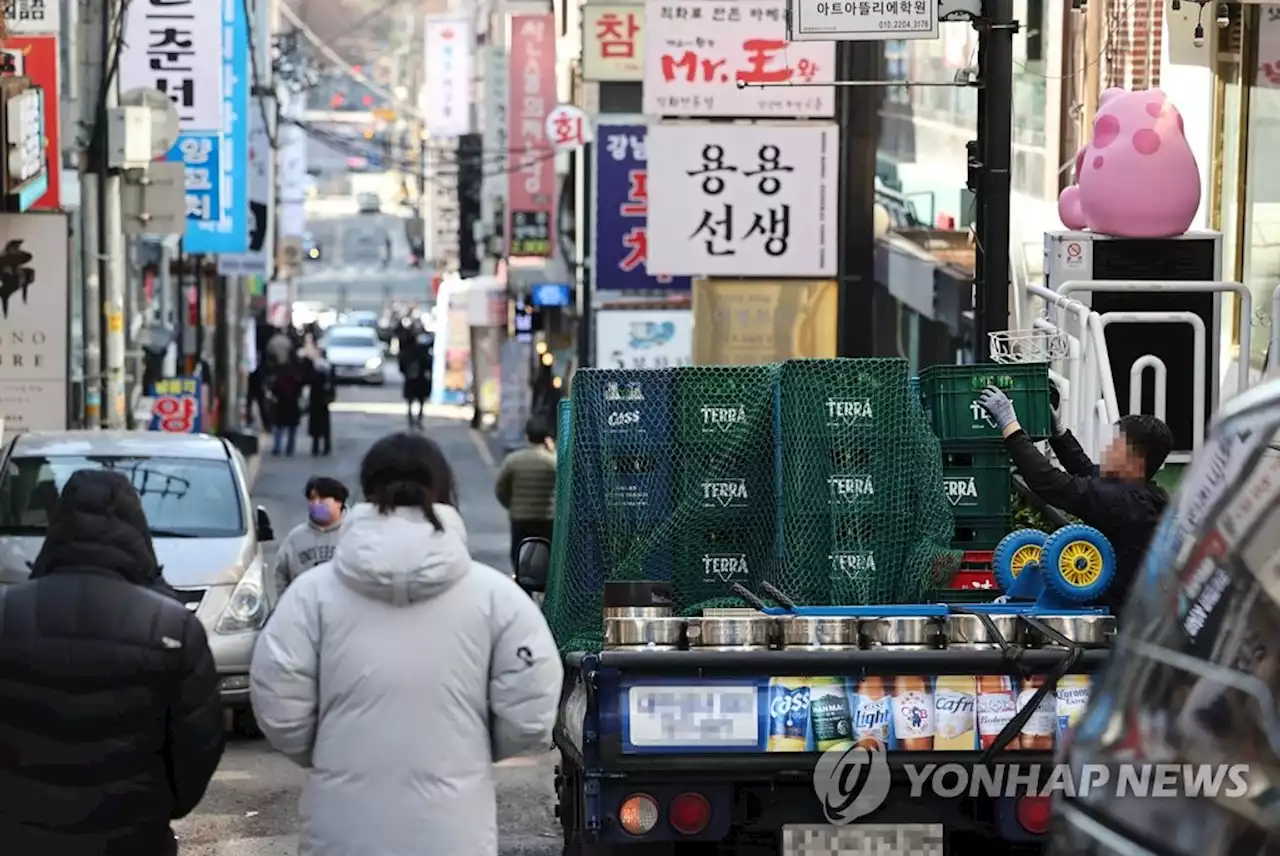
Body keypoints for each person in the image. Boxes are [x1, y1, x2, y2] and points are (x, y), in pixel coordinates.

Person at [250, 432, 562, 856]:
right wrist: (470, 745)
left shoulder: (310, 596)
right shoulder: (498, 598)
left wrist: (330, 749)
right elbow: (530, 707)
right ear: (445, 490)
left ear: (364, 490)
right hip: (455, 831)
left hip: (342, 829)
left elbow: (277, 700)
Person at [0, 470, 224, 855]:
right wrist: (158, 804)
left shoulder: (7, 614)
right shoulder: (172, 628)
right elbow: (198, 746)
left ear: (58, 523)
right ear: (137, 527)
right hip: (132, 836)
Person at [977, 386, 1172, 610]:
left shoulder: (1125, 502)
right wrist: (1058, 431)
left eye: (1115, 445)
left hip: (1112, 614)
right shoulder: (1144, 494)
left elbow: (1050, 482)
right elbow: (1086, 470)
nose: (1106, 448)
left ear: (1136, 461)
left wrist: (1009, 424)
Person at [272, 475, 349, 604]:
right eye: (312, 499)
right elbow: (281, 574)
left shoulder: (353, 533)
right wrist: (287, 603)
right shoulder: (296, 538)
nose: (316, 503)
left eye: (323, 498)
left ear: (339, 502)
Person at [495, 418, 558, 575]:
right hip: (546, 518)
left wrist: (512, 505)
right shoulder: (552, 461)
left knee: (518, 555)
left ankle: (522, 585)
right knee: (547, 556)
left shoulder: (513, 460)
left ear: (526, 436)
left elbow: (500, 488)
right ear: (546, 438)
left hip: (520, 517)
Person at [271, 355, 305, 456]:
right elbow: (299, 391)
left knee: (278, 428)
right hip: (292, 406)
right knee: (292, 429)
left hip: (281, 405)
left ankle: (277, 447)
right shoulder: (295, 379)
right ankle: (290, 448)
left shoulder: (279, 379)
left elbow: (274, 391)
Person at [401, 328, 434, 428]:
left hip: (410, 378)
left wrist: (406, 373)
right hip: (421, 379)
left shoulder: (405, 352)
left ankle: (411, 420)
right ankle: (419, 420)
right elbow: (428, 362)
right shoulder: (421, 349)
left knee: (410, 402)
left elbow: (401, 366)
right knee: (421, 401)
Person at [307, 349, 336, 456]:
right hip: (324, 401)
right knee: (325, 426)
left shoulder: (314, 368)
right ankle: (326, 447)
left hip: (315, 401)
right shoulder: (329, 369)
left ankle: (315, 448)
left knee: (316, 427)